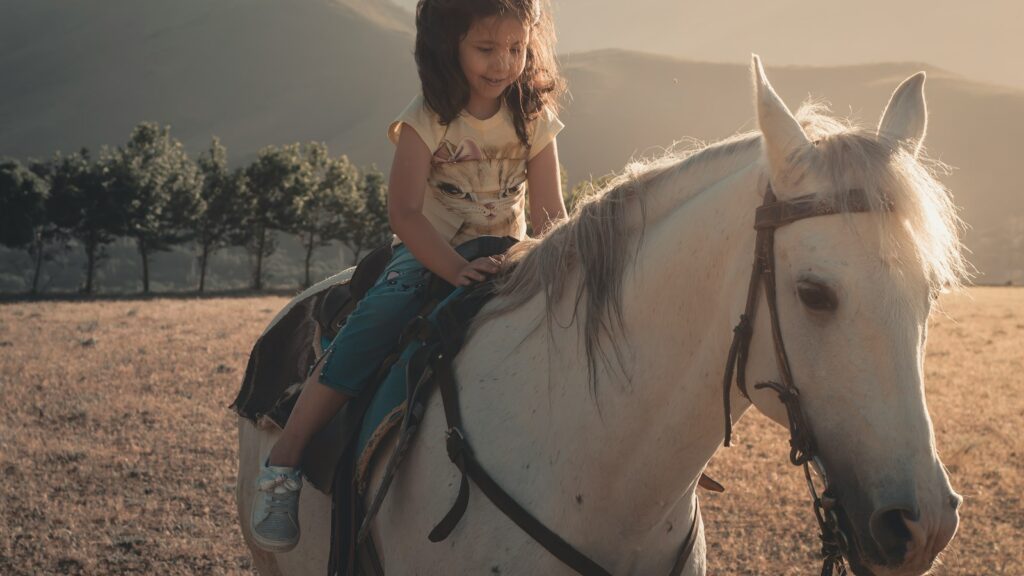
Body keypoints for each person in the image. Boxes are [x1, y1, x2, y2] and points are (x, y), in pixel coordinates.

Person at [250, 0, 567, 552]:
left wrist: (544, 263)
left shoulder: (534, 120)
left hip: (510, 254)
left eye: (517, 48)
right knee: (374, 325)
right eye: (486, 49)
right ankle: (284, 462)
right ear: (450, 47)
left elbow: (549, 215)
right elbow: (405, 214)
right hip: (430, 252)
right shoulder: (426, 119)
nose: (504, 63)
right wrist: (455, 267)